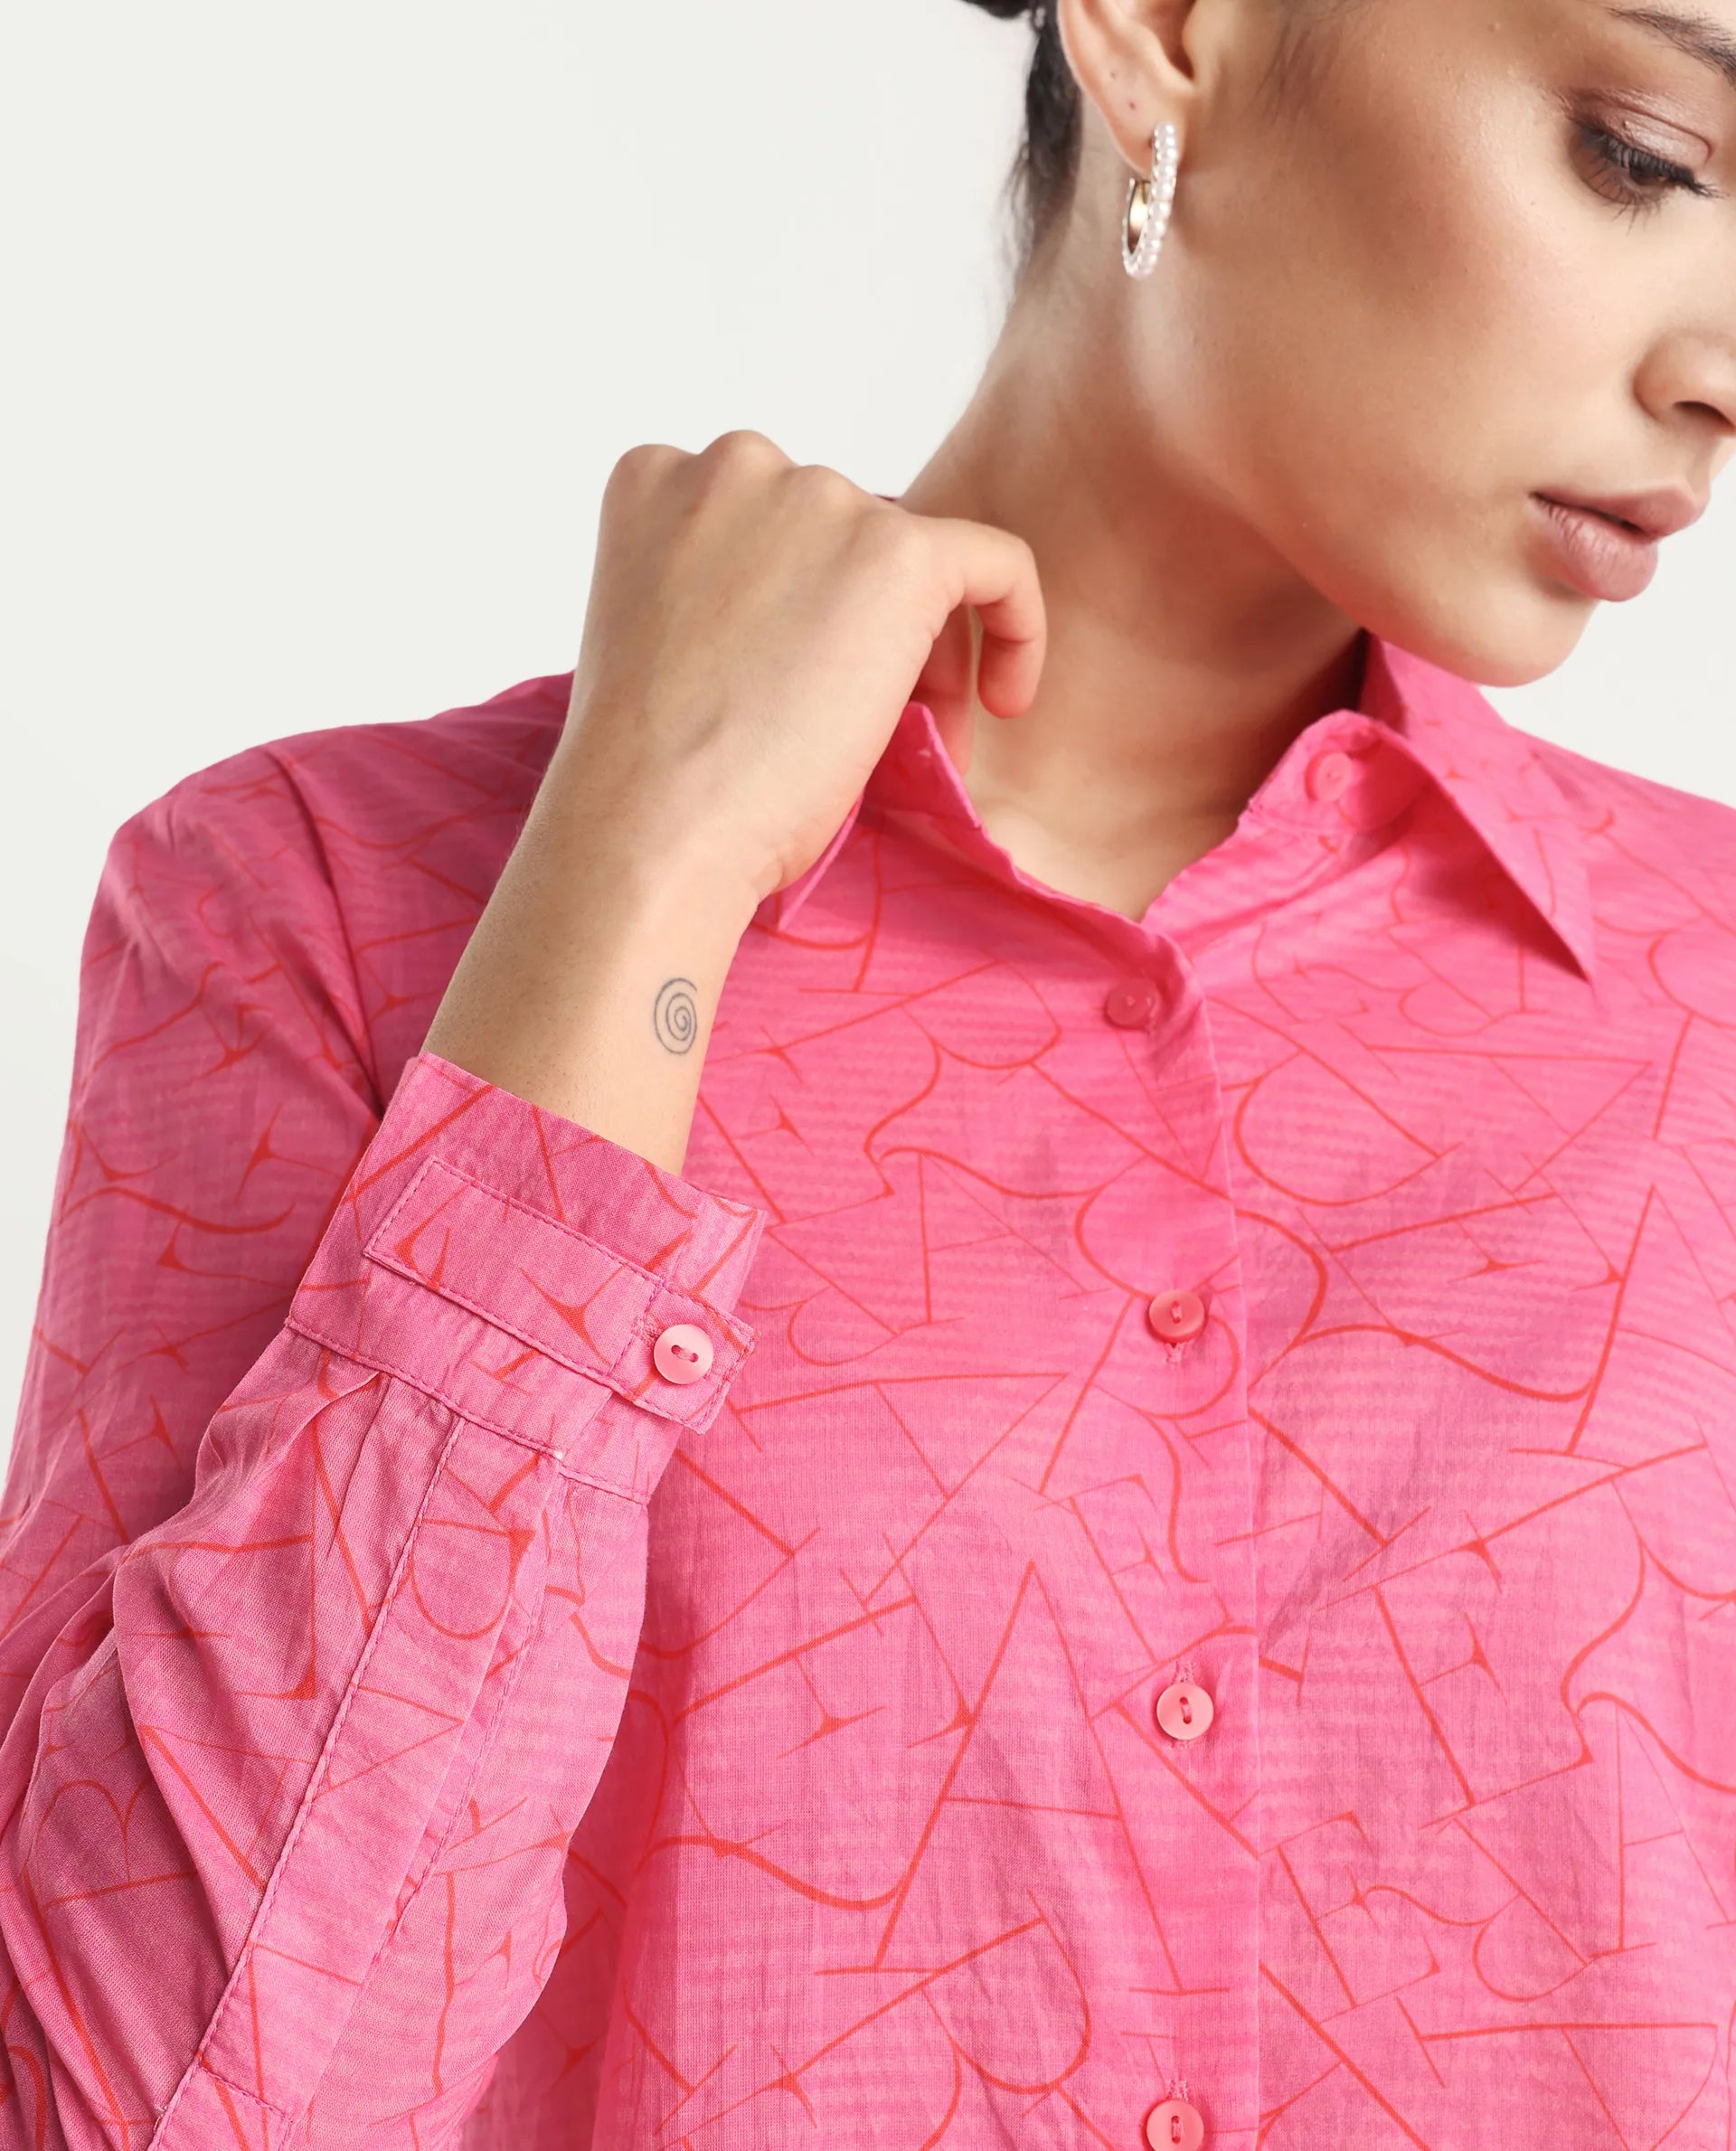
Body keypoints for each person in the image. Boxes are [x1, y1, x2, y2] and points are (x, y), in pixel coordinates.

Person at [5, 0, 1736, 2141]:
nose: (1719, 368)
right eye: (1647, 155)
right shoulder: (320, 912)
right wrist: (639, 869)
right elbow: (147, 2104)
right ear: (1166, 33)